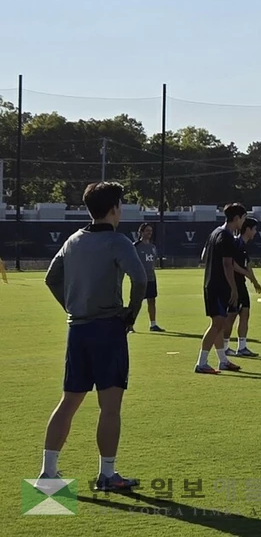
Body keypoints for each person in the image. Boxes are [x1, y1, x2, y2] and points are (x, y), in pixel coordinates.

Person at [40, 181, 148, 491]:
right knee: (110, 406)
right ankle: (107, 475)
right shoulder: (118, 241)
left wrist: (71, 306)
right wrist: (131, 314)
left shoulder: (73, 240)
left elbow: (51, 278)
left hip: (78, 330)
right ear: (115, 209)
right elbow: (139, 279)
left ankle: (48, 474)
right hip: (107, 329)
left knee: (69, 402)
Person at [195, 203, 247, 374]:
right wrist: (233, 288)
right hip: (218, 287)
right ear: (237, 218)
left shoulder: (215, 232)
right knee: (217, 324)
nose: (243, 222)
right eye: (243, 218)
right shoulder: (226, 237)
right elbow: (227, 264)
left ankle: (223, 361)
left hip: (212, 284)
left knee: (220, 323)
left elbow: (204, 257)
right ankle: (201, 363)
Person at [225, 218, 261, 358]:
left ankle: (242, 347)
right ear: (247, 229)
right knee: (232, 315)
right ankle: (225, 346)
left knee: (245, 312)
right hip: (234, 284)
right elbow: (232, 263)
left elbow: (248, 264)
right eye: (254, 229)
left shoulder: (245, 245)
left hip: (242, 284)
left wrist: (254, 281)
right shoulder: (236, 243)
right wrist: (247, 274)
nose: (255, 232)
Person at [133, 223, 164, 332]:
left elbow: (154, 261)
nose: (149, 233)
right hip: (140, 279)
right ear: (141, 232)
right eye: (147, 231)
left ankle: (153, 324)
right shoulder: (135, 246)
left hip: (151, 278)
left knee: (152, 301)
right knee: (136, 302)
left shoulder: (152, 247)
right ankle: (130, 324)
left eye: (150, 231)